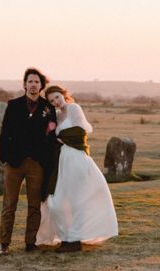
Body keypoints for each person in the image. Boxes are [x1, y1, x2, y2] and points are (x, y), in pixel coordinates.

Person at [36, 85, 118, 252]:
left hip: (76, 159)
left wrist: (58, 139)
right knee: (56, 203)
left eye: (57, 97)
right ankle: (66, 237)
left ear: (64, 95)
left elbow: (80, 133)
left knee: (77, 201)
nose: (56, 102)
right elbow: (52, 137)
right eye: (52, 100)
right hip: (62, 162)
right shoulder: (57, 116)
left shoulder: (74, 108)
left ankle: (74, 240)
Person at [0, 68, 56, 255]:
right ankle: (4, 243)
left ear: (41, 85)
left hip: (36, 164)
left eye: (36, 82)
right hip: (14, 163)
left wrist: (44, 160)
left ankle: (31, 242)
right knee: (9, 204)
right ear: (24, 84)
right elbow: (5, 133)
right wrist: (5, 157)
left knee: (34, 205)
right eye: (30, 81)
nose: (33, 85)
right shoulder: (13, 105)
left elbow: (51, 135)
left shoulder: (49, 108)